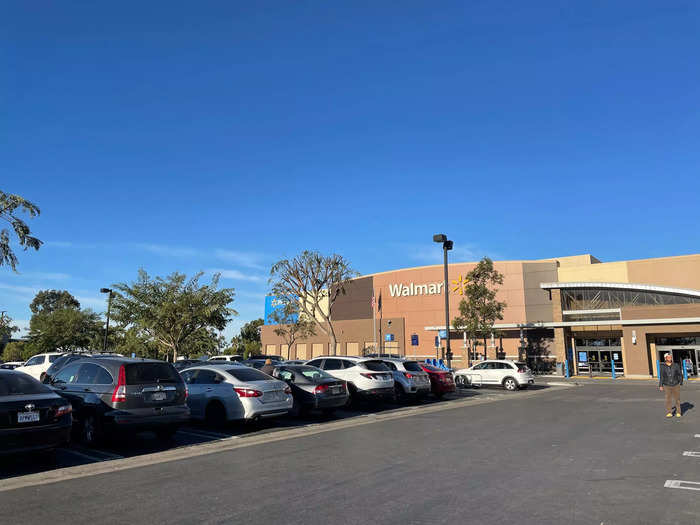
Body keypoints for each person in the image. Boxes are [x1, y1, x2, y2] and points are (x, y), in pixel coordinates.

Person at [659, 352, 683, 418]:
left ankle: (678, 412)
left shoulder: (676, 365)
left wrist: (680, 381)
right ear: (665, 358)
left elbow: (679, 374)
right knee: (668, 399)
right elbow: (662, 376)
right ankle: (669, 412)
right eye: (668, 357)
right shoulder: (662, 366)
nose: (670, 358)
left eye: (671, 357)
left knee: (677, 399)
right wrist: (660, 385)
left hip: (676, 384)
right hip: (667, 385)